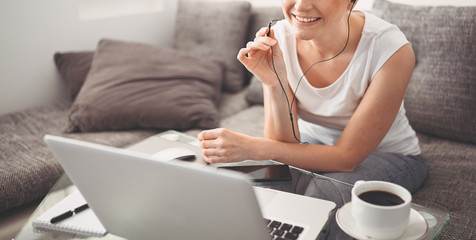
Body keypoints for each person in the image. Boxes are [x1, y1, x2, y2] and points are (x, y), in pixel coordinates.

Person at [197, 0, 427, 193]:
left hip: (389, 154)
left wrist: (255, 148)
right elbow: (282, 145)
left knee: (324, 196)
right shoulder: (279, 36)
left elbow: (346, 159)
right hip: (312, 143)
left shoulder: (390, 49)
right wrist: (273, 82)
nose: (301, 6)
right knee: (259, 186)